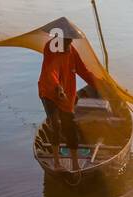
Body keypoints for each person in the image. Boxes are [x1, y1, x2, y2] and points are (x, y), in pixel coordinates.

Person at [38, 33, 99, 172]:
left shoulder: (71, 50)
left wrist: (99, 85)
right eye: (66, 42)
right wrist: (57, 87)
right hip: (49, 92)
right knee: (55, 125)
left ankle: (75, 164)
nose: (69, 45)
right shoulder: (50, 47)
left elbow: (83, 71)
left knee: (69, 127)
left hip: (66, 95)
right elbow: (50, 71)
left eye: (70, 42)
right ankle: (57, 162)